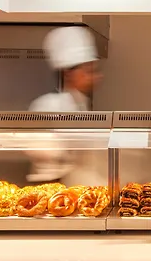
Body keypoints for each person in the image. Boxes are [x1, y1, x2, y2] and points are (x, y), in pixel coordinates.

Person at [27, 26, 103, 184]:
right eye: (88, 71)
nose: (96, 76)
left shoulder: (81, 104)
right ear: (68, 73)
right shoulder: (46, 105)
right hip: (52, 187)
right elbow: (39, 150)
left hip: (76, 186)